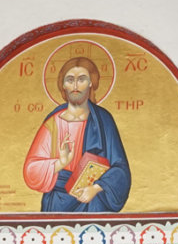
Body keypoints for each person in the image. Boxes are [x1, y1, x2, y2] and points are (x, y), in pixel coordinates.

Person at [22, 56, 131, 212]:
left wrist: (96, 188)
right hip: (57, 203)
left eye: (81, 79)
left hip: (93, 201)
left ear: (91, 83)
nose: (75, 85)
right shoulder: (53, 123)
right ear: (63, 85)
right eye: (70, 80)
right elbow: (31, 169)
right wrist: (60, 163)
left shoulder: (103, 120)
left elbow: (120, 169)